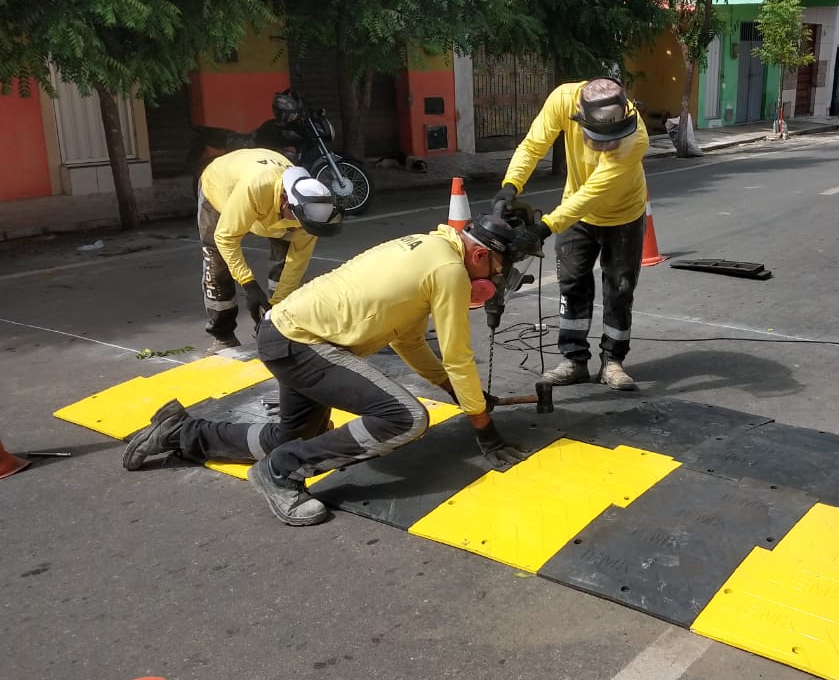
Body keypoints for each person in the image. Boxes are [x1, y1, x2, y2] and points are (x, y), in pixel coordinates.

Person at [123, 215, 539, 527]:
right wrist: (484, 428)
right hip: (305, 343)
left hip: (285, 333)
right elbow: (458, 356)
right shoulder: (449, 271)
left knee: (292, 439)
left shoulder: (430, 248)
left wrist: (454, 390)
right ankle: (279, 473)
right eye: (499, 270)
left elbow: (409, 341)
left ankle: (182, 432)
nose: (497, 280)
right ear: (479, 254)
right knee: (406, 418)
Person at [493, 77, 649, 391]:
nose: (606, 146)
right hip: (575, 212)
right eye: (599, 138)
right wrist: (510, 186)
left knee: (619, 288)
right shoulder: (563, 100)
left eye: (612, 138)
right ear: (579, 116)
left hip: (623, 215)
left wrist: (545, 227)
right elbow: (533, 145)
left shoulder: (636, 138)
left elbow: (592, 194)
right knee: (572, 284)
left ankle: (613, 361)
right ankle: (574, 360)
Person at [197, 147, 342, 351]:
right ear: (285, 202)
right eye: (299, 222)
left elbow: (295, 265)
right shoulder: (256, 188)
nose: (300, 229)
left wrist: (273, 310)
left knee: (284, 267)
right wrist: (249, 285)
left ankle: (278, 330)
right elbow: (226, 238)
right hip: (219, 187)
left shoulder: (310, 210)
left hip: (266, 201)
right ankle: (223, 337)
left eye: (305, 225)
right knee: (217, 264)